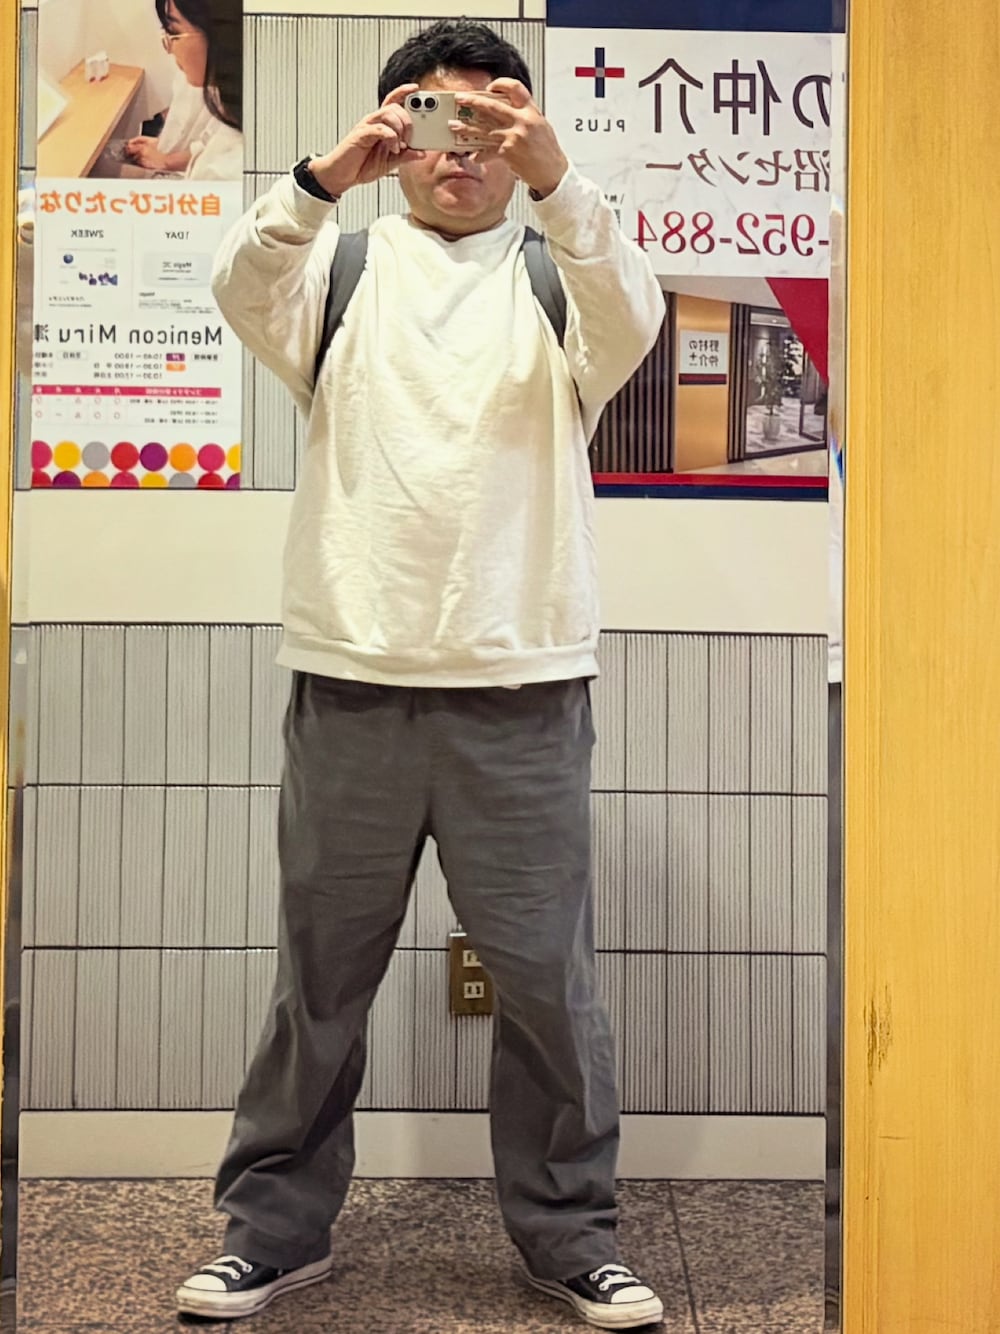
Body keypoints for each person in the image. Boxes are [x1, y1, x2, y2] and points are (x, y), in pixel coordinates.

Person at [176, 20, 665, 1332]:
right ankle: (271, 1231)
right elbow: (237, 281)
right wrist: (319, 180)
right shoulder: (336, 272)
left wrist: (559, 184)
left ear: (523, 139)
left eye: (493, 120)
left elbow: (636, 315)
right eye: (438, 116)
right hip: (352, 679)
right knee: (319, 981)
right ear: (397, 128)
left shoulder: (563, 277)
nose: (465, 146)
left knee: (548, 986)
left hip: (523, 683)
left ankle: (570, 1235)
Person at [126, 0, 242, 179]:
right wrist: (166, 154)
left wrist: (166, 159)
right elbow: (208, 142)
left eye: (174, 32)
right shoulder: (230, 104)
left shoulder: (230, 167)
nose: (169, 48)